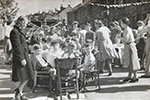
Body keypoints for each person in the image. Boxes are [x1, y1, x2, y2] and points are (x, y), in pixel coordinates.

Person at [10, 16, 32, 100]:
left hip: (24, 55)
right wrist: (21, 58)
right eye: (25, 23)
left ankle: (19, 92)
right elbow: (17, 47)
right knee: (22, 76)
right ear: (21, 23)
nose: (26, 25)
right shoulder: (14, 32)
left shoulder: (18, 31)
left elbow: (22, 44)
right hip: (20, 57)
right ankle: (18, 93)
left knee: (27, 75)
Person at [120, 17, 140, 83]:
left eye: (121, 23)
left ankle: (135, 76)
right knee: (129, 62)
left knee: (132, 61)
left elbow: (126, 39)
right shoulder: (126, 29)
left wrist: (120, 37)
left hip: (130, 46)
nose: (121, 24)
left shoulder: (127, 30)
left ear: (124, 23)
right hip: (128, 46)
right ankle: (129, 75)